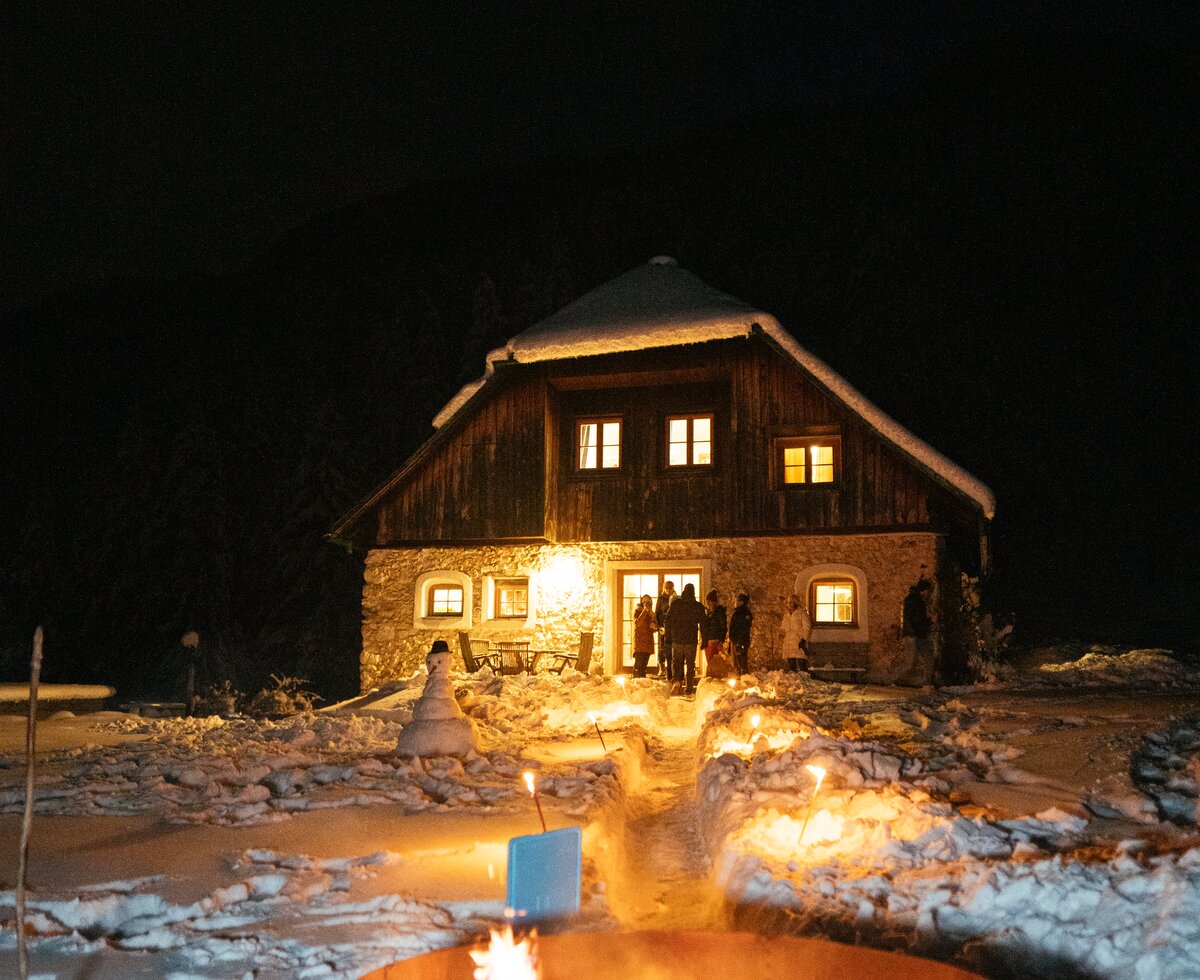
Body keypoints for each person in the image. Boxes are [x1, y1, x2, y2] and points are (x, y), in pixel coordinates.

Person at [665, 582, 704, 695]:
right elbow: (703, 624)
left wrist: (668, 637)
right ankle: (689, 687)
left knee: (677, 663)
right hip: (690, 640)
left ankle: (677, 682)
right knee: (690, 664)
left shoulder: (676, 604)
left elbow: (668, 620)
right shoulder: (697, 606)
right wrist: (704, 639)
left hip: (677, 639)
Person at [901, 576, 935, 684]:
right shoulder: (918, 602)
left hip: (913, 634)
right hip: (915, 635)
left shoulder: (911, 599)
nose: (929, 593)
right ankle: (889, 680)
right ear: (923, 590)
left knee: (917, 660)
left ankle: (927, 682)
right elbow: (917, 620)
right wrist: (931, 621)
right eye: (928, 591)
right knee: (913, 662)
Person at [782, 593, 812, 672]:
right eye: (789, 602)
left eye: (792, 602)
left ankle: (804, 681)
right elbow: (784, 627)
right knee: (791, 664)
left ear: (796, 603)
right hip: (789, 642)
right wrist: (782, 635)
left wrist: (803, 639)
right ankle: (793, 681)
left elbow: (807, 627)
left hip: (798, 641)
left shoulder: (802, 613)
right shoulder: (787, 615)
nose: (790, 604)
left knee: (801, 663)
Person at [701, 589, 728, 677]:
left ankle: (714, 676)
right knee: (709, 659)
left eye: (709, 602)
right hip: (709, 639)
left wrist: (721, 640)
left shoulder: (719, 613)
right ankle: (711, 676)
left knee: (713, 660)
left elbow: (723, 627)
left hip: (714, 639)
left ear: (713, 602)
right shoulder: (709, 613)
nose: (707, 604)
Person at [655, 581, 678, 680]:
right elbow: (657, 613)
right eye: (667, 588)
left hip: (673, 627)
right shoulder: (661, 599)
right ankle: (662, 667)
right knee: (662, 647)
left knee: (674, 647)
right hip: (663, 626)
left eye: (670, 588)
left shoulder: (676, 598)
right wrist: (659, 625)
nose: (668, 590)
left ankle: (673, 668)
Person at [632, 595, 658, 678]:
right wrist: (644, 612)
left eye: (648, 602)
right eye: (644, 602)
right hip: (640, 641)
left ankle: (642, 681)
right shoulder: (638, 611)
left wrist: (654, 627)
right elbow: (637, 623)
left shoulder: (652, 614)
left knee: (644, 665)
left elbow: (655, 627)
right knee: (638, 664)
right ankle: (635, 681)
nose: (646, 604)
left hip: (648, 642)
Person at [729, 593, 753, 674]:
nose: (735, 602)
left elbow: (743, 628)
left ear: (741, 602)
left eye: (737, 600)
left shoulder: (745, 613)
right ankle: (739, 677)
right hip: (735, 640)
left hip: (740, 641)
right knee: (736, 661)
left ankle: (743, 677)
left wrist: (739, 641)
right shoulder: (737, 613)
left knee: (741, 660)